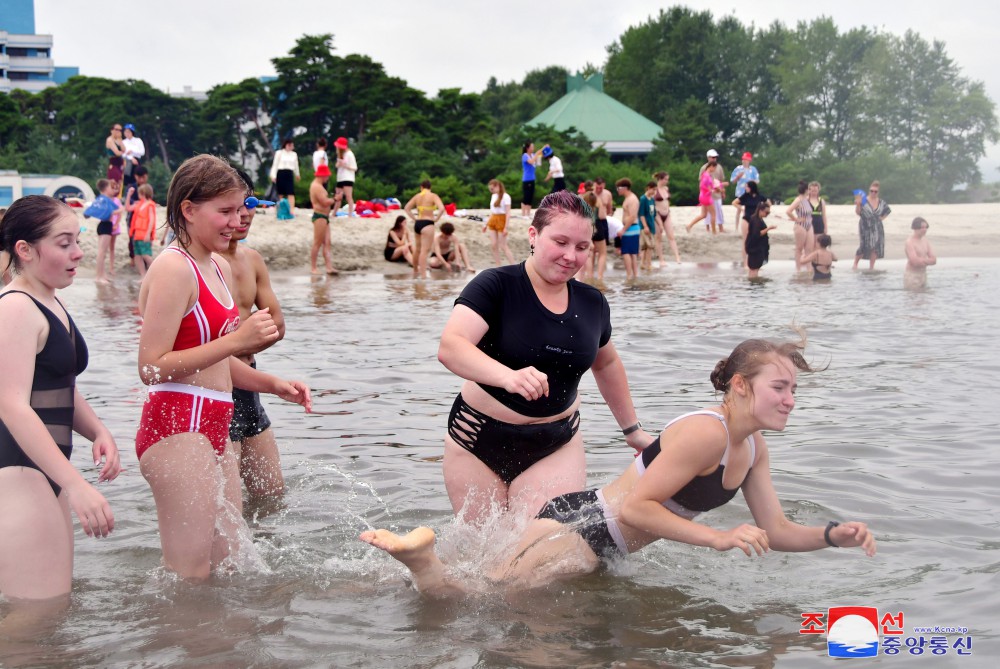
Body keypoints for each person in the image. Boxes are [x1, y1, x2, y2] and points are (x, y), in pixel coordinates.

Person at [361, 337, 877, 597]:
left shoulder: (753, 448)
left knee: (486, 592)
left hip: (597, 538)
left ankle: (413, 564)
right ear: (740, 386)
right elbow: (636, 506)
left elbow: (778, 530)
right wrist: (717, 538)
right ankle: (422, 559)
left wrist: (834, 535)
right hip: (579, 529)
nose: (790, 400)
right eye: (780, 388)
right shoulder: (706, 432)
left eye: (793, 390)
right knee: (470, 599)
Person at [135, 155, 311, 580]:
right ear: (189, 210)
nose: (238, 220)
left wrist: (269, 383)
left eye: (241, 209)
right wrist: (238, 341)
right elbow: (151, 368)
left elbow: (214, 362)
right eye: (226, 211)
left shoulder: (215, 265)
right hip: (177, 428)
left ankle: (221, 648)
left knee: (231, 566)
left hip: (215, 422)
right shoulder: (173, 268)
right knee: (190, 575)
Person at [437, 190, 652, 524]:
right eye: (561, 242)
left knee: (540, 559)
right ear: (533, 235)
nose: (570, 256)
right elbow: (451, 346)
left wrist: (632, 430)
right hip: (478, 438)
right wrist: (508, 376)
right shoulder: (496, 285)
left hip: (555, 444)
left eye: (582, 247)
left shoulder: (593, 303)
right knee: (479, 562)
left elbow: (606, 363)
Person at [0, 195, 121, 608]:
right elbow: (12, 404)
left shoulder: (49, 298)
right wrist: (76, 485)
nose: (78, 252)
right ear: (25, 250)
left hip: (45, 470)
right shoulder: (15, 308)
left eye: (78, 239)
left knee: (52, 614)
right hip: (18, 471)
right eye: (64, 242)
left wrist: (97, 430)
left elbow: (58, 385)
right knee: (34, 624)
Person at [220, 171, 290, 498]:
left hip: (250, 385)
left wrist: (245, 341)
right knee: (226, 503)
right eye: (234, 206)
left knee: (272, 496)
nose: (244, 213)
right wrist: (241, 340)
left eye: (249, 203)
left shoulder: (252, 260)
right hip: (215, 385)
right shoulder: (197, 263)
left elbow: (277, 324)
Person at [83, 178, 124, 283]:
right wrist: (123, 209)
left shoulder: (101, 199)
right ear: (106, 188)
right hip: (105, 226)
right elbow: (112, 211)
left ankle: (102, 274)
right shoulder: (104, 200)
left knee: (103, 252)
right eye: (110, 187)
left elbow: (88, 213)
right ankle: (98, 277)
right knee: (101, 252)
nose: (112, 189)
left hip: (104, 225)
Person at [403, 180, 445, 279]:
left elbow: (406, 208)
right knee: (424, 251)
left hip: (418, 223)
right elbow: (442, 208)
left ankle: (415, 271)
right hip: (428, 223)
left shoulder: (417, 196)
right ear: (430, 187)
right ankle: (423, 276)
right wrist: (436, 218)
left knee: (417, 249)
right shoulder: (433, 196)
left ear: (421, 187)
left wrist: (414, 218)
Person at [308, 164, 339, 275]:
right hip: (319, 216)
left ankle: (329, 267)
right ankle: (313, 268)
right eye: (327, 176)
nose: (327, 178)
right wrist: (335, 199)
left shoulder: (319, 186)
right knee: (317, 242)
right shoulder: (316, 186)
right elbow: (324, 202)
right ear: (322, 175)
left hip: (325, 217)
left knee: (327, 242)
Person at [853, 181, 891, 270]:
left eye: (875, 191)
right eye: (871, 191)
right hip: (865, 225)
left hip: (877, 226)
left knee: (876, 246)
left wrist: (881, 218)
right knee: (864, 245)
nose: (873, 193)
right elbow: (858, 213)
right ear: (869, 191)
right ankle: (855, 264)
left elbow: (887, 211)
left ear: (878, 192)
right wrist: (858, 204)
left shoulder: (881, 202)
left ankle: (871, 267)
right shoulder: (863, 200)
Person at [686, 165, 728, 234]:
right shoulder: (707, 176)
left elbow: (704, 186)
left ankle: (689, 225)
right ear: (711, 167)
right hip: (707, 197)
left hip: (702, 196)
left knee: (703, 215)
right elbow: (710, 188)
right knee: (713, 214)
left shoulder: (704, 175)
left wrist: (720, 185)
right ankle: (714, 232)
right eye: (714, 167)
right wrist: (720, 189)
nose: (714, 169)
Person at [483, 179, 515, 266]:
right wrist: (486, 224)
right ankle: (498, 265)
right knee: (493, 245)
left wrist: (506, 227)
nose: (491, 191)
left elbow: (508, 212)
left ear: (497, 186)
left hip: (502, 219)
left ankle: (513, 265)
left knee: (503, 245)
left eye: (492, 189)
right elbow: (492, 212)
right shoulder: (493, 196)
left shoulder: (506, 196)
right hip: (493, 219)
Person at [734, 180, 765, 269]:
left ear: (751, 187)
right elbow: (734, 202)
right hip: (746, 219)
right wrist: (742, 209)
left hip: (756, 220)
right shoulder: (745, 196)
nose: (745, 188)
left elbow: (768, 203)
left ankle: (757, 263)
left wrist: (763, 211)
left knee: (757, 240)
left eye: (747, 186)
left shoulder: (759, 196)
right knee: (746, 241)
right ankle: (745, 263)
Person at [130, 184, 157, 277]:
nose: (138, 194)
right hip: (137, 234)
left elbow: (151, 220)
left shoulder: (150, 205)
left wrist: (148, 233)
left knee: (146, 255)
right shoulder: (139, 204)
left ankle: (156, 272)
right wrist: (129, 195)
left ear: (143, 193)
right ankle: (143, 276)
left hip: (144, 234)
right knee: (137, 255)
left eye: (139, 193)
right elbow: (128, 208)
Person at [785, 181, 813, 272]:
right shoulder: (798, 200)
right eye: (809, 189)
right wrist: (796, 219)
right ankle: (798, 269)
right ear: (806, 190)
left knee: (809, 248)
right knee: (799, 248)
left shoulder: (807, 199)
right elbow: (788, 211)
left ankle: (809, 268)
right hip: (800, 225)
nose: (810, 191)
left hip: (809, 224)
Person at [653, 172, 680, 265]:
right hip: (657, 214)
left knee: (671, 236)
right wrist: (659, 222)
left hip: (667, 213)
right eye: (665, 179)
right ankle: (661, 260)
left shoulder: (666, 189)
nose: (667, 181)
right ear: (660, 179)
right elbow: (653, 206)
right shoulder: (654, 190)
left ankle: (677, 257)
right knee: (658, 238)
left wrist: (668, 212)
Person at [697, 149, 727, 233]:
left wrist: (723, 192)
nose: (714, 159)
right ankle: (708, 228)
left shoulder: (719, 167)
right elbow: (701, 182)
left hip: (717, 193)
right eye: (712, 157)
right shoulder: (704, 168)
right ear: (708, 158)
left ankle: (720, 227)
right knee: (707, 213)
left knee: (719, 211)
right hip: (707, 194)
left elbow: (721, 180)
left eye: (715, 157)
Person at [125, 166, 150, 265]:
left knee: (144, 240)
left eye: (143, 177)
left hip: (145, 219)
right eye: (140, 177)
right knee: (132, 240)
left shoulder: (148, 188)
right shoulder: (131, 187)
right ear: (135, 176)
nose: (142, 180)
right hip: (132, 218)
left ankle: (143, 259)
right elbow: (129, 202)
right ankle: (133, 257)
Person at [616, 179, 640, 280]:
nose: (617, 190)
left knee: (626, 252)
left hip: (631, 228)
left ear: (625, 188)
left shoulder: (632, 199)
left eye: (619, 188)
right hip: (631, 228)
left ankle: (629, 275)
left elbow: (632, 216)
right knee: (632, 253)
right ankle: (634, 275)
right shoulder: (629, 198)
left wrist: (623, 230)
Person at [745, 200, 776, 279]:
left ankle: (754, 285)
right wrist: (769, 228)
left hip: (757, 248)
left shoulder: (758, 219)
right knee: (754, 269)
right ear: (760, 210)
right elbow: (757, 234)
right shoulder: (755, 220)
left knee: (755, 268)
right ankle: (754, 284)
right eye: (766, 212)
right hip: (755, 249)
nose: (767, 214)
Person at [590, 177, 614, 280]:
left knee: (601, 250)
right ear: (594, 185)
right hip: (593, 223)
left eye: (601, 187)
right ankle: (590, 275)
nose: (599, 189)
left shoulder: (607, 194)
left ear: (604, 185)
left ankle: (599, 276)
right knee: (592, 251)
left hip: (603, 221)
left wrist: (607, 213)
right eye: (597, 187)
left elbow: (609, 208)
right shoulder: (590, 195)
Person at [269, 138, 300, 214]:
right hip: (281, 173)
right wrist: (273, 175)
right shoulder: (279, 153)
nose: (290, 147)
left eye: (292, 145)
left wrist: (297, 174)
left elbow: (296, 165)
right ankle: (280, 209)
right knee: (280, 193)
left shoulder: (294, 154)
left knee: (291, 192)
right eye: (289, 145)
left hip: (289, 173)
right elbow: (275, 164)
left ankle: (291, 210)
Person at [904, 217, 936, 289]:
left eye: (925, 227)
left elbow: (934, 260)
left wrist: (922, 260)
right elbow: (915, 262)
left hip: (923, 274)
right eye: (922, 228)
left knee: (924, 297)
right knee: (913, 297)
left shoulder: (925, 241)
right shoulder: (910, 242)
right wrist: (927, 261)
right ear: (915, 228)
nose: (924, 230)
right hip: (912, 275)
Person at [730, 152, 760, 228]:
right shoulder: (738, 169)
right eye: (743, 159)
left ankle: (750, 225)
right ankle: (736, 227)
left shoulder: (753, 169)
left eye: (746, 159)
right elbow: (732, 181)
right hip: (740, 192)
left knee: (750, 209)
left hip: (750, 192)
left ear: (749, 160)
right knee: (738, 210)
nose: (744, 161)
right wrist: (738, 177)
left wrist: (752, 182)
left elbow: (757, 181)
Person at [332, 137, 357, 218]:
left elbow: (354, 167)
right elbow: (337, 166)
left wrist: (345, 165)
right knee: (338, 196)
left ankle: (350, 214)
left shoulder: (350, 154)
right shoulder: (341, 155)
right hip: (340, 178)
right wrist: (339, 163)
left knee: (348, 196)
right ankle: (334, 213)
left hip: (348, 178)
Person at [520, 142, 546, 217]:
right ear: (527, 148)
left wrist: (543, 148)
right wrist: (537, 154)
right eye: (532, 147)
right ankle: (523, 214)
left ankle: (528, 213)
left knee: (531, 196)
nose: (533, 148)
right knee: (526, 196)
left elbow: (538, 160)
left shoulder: (533, 155)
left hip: (532, 178)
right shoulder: (525, 156)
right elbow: (531, 161)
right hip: (526, 179)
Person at [638, 181, 657, 271]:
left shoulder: (652, 200)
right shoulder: (643, 199)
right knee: (649, 245)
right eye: (653, 189)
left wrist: (659, 225)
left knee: (646, 246)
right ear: (649, 188)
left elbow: (654, 214)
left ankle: (643, 264)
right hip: (645, 226)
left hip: (651, 225)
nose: (654, 191)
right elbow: (641, 214)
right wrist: (645, 226)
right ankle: (648, 264)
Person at [121, 123, 145, 191]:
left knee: (137, 178)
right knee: (127, 179)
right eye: (126, 131)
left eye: (129, 131)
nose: (127, 133)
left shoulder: (138, 140)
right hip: (127, 161)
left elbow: (142, 152)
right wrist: (131, 158)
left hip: (137, 161)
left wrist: (132, 151)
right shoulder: (123, 142)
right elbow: (122, 154)